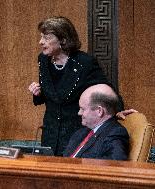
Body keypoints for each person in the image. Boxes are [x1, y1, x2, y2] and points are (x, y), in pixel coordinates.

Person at [28, 16, 134, 156]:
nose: (41, 42)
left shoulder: (84, 62)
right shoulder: (43, 59)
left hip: (75, 134)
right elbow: (53, 94)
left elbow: (106, 88)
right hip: (50, 133)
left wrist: (117, 110)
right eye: (41, 37)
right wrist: (38, 93)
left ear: (63, 40)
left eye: (46, 38)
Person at [63, 84, 129, 160]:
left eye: (83, 109)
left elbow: (116, 162)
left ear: (99, 111)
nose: (79, 113)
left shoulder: (115, 133)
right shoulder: (82, 132)